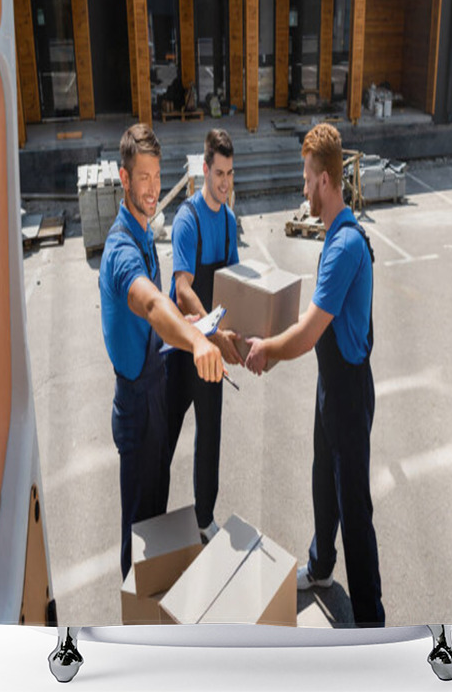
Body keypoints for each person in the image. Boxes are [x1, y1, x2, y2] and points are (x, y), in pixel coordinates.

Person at [245, 123, 385, 627]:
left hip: (347, 394)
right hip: (333, 389)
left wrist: (266, 352)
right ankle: (322, 567)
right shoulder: (335, 235)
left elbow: (306, 335)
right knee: (322, 482)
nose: (302, 188)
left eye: (307, 179)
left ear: (325, 180)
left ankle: (371, 622)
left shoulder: (345, 245)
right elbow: (310, 322)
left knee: (354, 509)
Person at [99, 123, 223, 580]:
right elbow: (150, 302)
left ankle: (152, 610)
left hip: (156, 385)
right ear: (124, 178)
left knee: (156, 519)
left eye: (157, 176)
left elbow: (161, 310)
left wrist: (189, 324)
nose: (153, 189)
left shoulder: (145, 232)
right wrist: (193, 340)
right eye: (143, 178)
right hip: (135, 401)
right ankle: (135, 626)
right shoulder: (120, 251)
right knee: (139, 533)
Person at [165, 128, 243, 543]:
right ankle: (152, 518)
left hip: (210, 347)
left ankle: (203, 517)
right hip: (182, 345)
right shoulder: (187, 220)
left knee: (209, 432)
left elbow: (233, 284)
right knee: (166, 432)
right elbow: (182, 288)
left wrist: (240, 334)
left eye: (230, 174)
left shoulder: (229, 222)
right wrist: (211, 330)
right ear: (204, 169)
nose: (225, 183)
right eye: (219, 174)